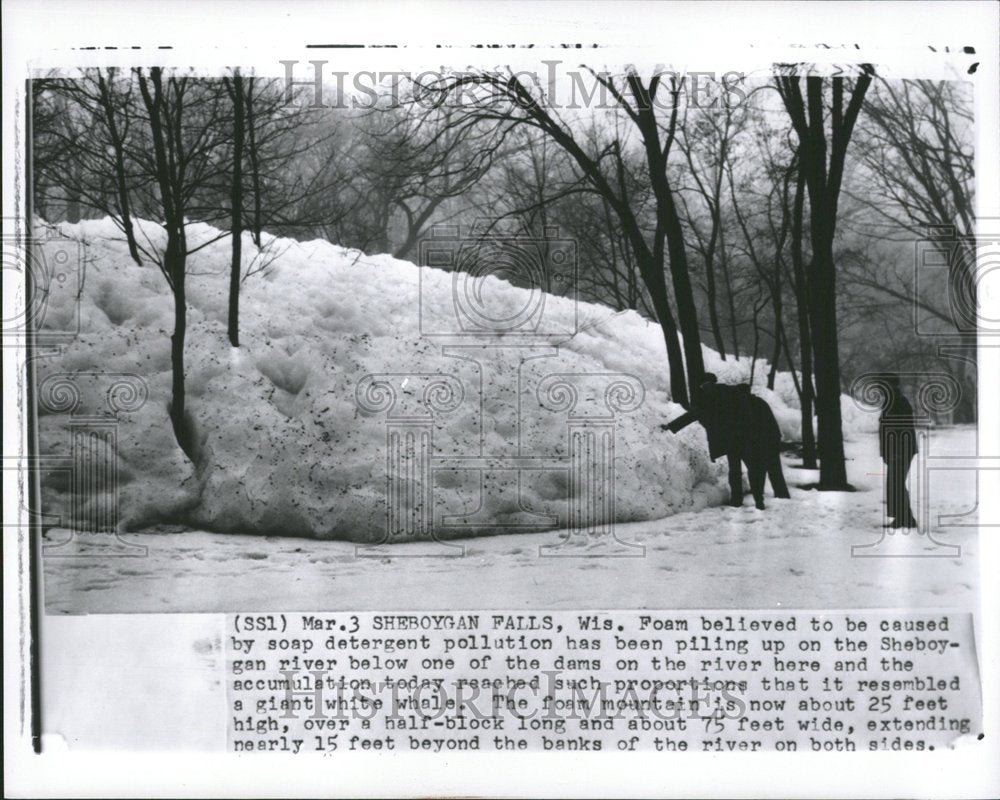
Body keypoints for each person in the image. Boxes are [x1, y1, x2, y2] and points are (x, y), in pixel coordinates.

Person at [664, 374, 790, 510]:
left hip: (733, 441)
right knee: (751, 469)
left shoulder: (714, 398)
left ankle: (737, 500)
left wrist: (671, 427)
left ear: (709, 384)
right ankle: (758, 500)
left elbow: (693, 415)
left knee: (736, 471)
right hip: (746, 440)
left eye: (705, 385)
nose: (705, 388)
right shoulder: (734, 395)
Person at [879, 375, 919, 529]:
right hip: (897, 451)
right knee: (895, 484)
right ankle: (904, 518)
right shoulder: (893, 401)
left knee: (896, 484)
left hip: (900, 451)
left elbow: (901, 430)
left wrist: (896, 451)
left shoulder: (898, 402)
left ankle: (906, 519)